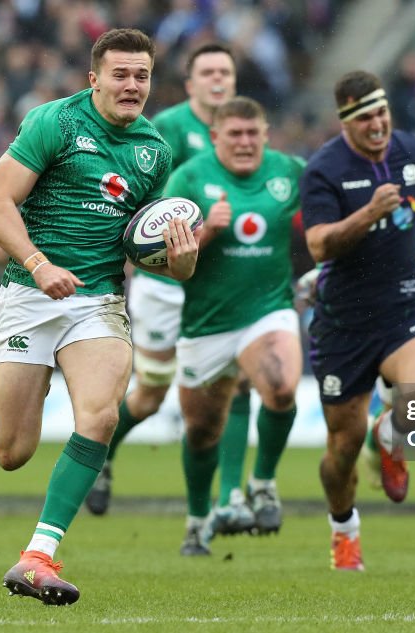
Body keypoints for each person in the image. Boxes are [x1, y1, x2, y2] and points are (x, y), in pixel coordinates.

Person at [0, 28, 197, 605]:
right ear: (94, 78)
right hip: (31, 291)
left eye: (142, 75)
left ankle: (37, 556)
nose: (132, 86)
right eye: (121, 74)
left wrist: (182, 262)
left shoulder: (155, 151)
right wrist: (37, 262)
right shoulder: (55, 122)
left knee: (99, 418)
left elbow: (144, 251)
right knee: (12, 451)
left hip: (97, 300)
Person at [86, 44, 259, 530]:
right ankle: (103, 457)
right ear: (191, 84)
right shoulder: (166, 131)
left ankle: (229, 498)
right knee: (150, 395)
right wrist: (199, 233)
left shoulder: (243, 135)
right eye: (208, 72)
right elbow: (146, 209)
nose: (218, 79)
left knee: (234, 381)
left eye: (225, 70)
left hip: (219, 281)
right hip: (165, 282)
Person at [300, 70, 415, 571]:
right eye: (365, 118)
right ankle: (344, 532)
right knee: (342, 449)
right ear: (346, 121)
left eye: (382, 113)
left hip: (403, 307)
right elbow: (319, 244)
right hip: (343, 323)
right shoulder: (324, 169)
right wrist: (367, 213)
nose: (378, 125)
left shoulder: (414, 152)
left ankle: (393, 434)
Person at [163, 96, 305, 555]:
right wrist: (205, 232)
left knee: (281, 388)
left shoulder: (290, 172)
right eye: (235, 134)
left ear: (266, 133)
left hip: (268, 310)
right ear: (214, 137)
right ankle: (197, 518)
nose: (245, 142)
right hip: (206, 323)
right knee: (202, 431)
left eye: (253, 133)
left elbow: (332, 205)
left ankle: (262, 482)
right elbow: (156, 259)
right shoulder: (189, 178)